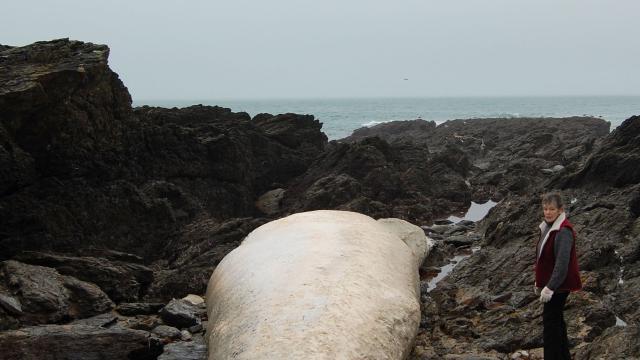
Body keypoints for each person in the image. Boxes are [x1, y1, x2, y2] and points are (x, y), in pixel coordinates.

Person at [534, 192, 582, 359]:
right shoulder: (548, 226)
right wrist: (538, 283)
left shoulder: (563, 231)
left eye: (552, 209)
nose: (547, 212)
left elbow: (562, 265)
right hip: (552, 284)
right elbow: (543, 258)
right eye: (545, 209)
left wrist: (549, 288)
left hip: (558, 286)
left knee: (550, 325)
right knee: (556, 321)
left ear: (560, 210)